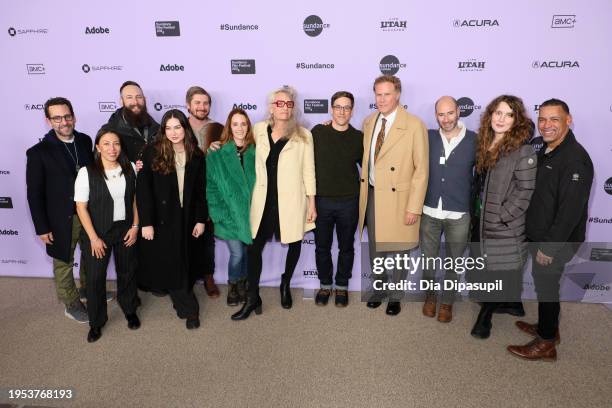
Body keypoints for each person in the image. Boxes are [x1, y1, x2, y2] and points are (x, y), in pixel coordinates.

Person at [507, 99, 593, 361]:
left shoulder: (575, 159)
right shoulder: (547, 149)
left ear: (568, 120)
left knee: (546, 287)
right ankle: (549, 328)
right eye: (542, 119)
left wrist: (549, 247)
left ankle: (545, 344)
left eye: (554, 119)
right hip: (540, 234)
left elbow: (570, 212)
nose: (546, 125)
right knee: (547, 286)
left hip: (554, 241)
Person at [231, 86, 316, 320]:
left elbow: (309, 171)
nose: (284, 108)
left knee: (295, 243)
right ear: (271, 107)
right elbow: (237, 143)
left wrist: (312, 202)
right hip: (262, 201)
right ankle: (252, 297)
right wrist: (218, 146)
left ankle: (285, 283)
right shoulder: (258, 130)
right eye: (280, 103)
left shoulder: (304, 135)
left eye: (289, 104)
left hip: (292, 201)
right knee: (253, 248)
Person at [359, 75, 429, 317]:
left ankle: (396, 296)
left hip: (400, 199)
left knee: (400, 251)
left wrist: (414, 207)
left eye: (387, 94)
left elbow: (421, 170)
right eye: (378, 94)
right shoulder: (368, 122)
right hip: (373, 196)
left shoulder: (414, 124)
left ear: (398, 95)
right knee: (376, 248)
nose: (382, 99)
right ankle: (379, 289)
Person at [469, 95, 537, 339]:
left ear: (516, 120)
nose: (501, 118)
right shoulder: (485, 143)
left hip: (501, 224)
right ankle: (513, 303)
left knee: (495, 272)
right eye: (498, 112)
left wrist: (501, 217)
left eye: (508, 114)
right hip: (480, 219)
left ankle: (484, 319)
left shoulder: (523, 150)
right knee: (487, 267)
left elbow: (524, 191)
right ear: (490, 115)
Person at [136, 109, 207, 329]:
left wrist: (200, 219)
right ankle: (189, 309)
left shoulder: (196, 154)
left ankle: (180, 296)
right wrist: (146, 222)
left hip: (187, 217)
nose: (173, 132)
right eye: (168, 128)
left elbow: (200, 191)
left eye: (178, 127)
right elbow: (143, 190)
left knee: (183, 259)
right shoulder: (152, 152)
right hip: (162, 218)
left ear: (185, 128)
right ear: (163, 130)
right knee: (173, 260)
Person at [26, 97, 93, 323]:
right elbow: (34, 193)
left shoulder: (85, 140)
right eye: (57, 118)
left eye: (67, 116)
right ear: (48, 121)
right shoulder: (38, 152)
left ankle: (87, 290)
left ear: (73, 116)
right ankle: (71, 303)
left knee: (91, 254)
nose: (63, 122)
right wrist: (42, 227)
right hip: (60, 218)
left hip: (88, 212)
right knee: (63, 261)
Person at [75, 127, 140, 342]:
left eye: (116, 144)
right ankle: (96, 322)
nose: (112, 148)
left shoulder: (130, 167)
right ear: (98, 147)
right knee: (94, 279)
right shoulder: (87, 172)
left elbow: (134, 200)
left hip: (126, 230)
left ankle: (130, 310)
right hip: (98, 233)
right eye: (106, 144)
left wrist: (135, 226)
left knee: (128, 272)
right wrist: (93, 238)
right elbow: (81, 207)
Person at [420, 96, 476, 323]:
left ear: (458, 112)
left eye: (450, 113)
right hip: (430, 211)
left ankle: (447, 302)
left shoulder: (474, 140)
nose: (446, 119)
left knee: (454, 261)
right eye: (441, 114)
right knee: (428, 260)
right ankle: (431, 297)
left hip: (459, 213)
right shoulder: (427, 137)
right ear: (436, 116)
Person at [311, 91, 363, 307]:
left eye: (347, 107)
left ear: (352, 111)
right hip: (321, 202)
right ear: (331, 109)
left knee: (346, 247)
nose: (342, 111)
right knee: (322, 247)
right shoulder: (317, 133)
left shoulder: (359, 137)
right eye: (338, 107)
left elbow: (371, 168)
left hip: (349, 202)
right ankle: (325, 285)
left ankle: (341, 286)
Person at [206, 108, 256, 306]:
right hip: (229, 214)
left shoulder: (256, 150)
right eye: (235, 124)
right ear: (229, 126)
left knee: (246, 252)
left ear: (248, 126)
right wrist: (218, 213)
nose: (240, 128)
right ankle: (234, 284)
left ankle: (243, 282)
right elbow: (210, 187)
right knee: (237, 253)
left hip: (252, 213)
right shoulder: (217, 153)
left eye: (243, 123)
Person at [186, 86, 220, 298]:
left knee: (207, 238)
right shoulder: (178, 126)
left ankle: (208, 276)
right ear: (188, 104)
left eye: (205, 103)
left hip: (208, 192)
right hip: (183, 190)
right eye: (197, 102)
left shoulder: (218, 128)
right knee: (182, 235)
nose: (202, 107)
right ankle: (186, 276)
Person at [107, 81, 160, 162]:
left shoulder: (156, 128)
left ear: (144, 99)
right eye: (129, 97)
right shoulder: (110, 130)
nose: (135, 102)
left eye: (139, 97)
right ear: (121, 101)